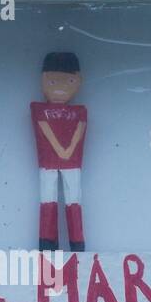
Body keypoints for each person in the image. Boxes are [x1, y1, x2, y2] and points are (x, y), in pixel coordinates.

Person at [31, 51, 88, 251]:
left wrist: (67, 150)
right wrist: (64, 150)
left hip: (71, 163)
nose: (62, 88)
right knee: (48, 200)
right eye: (54, 82)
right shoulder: (39, 110)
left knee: (74, 201)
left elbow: (79, 131)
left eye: (69, 81)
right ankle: (47, 244)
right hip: (52, 163)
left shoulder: (80, 111)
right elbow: (46, 130)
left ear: (78, 81)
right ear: (44, 80)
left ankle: (77, 245)